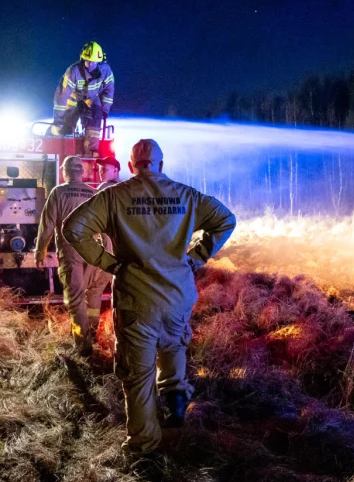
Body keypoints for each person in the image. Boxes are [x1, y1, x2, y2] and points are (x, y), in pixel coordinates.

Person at [62, 139, 236, 457]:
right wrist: (196, 258)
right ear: (161, 164)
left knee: (138, 374)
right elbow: (226, 220)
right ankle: (176, 417)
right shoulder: (187, 196)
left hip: (136, 297)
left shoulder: (114, 197)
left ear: (131, 166)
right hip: (178, 295)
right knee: (173, 351)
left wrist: (108, 263)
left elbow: (74, 228)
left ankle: (144, 447)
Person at [35, 155, 96, 353]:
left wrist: (40, 252)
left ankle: (82, 347)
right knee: (92, 294)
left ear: (64, 171)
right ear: (82, 172)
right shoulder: (93, 193)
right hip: (94, 251)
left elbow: (47, 225)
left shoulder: (58, 193)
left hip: (71, 251)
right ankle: (93, 334)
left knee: (76, 297)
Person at [51, 41, 115, 155]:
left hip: (92, 98)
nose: (90, 65)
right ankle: (66, 152)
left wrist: (105, 110)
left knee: (96, 118)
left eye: (94, 62)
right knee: (67, 125)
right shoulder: (73, 72)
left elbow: (109, 91)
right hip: (73, 98)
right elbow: (62, 96)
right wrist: (58, 120)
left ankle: (91, 152)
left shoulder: (106, 70)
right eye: (88, 61)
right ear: (82, 59)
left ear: (100, 61)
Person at [83, 156, 123, 342]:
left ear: (115, 170)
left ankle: (90, 332)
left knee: (93, 288)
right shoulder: (127, 188)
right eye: (99, 169)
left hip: (107, 250)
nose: (100, 172)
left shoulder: (103, 189)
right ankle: (121, 333)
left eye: (104, 169)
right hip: (126, 250)